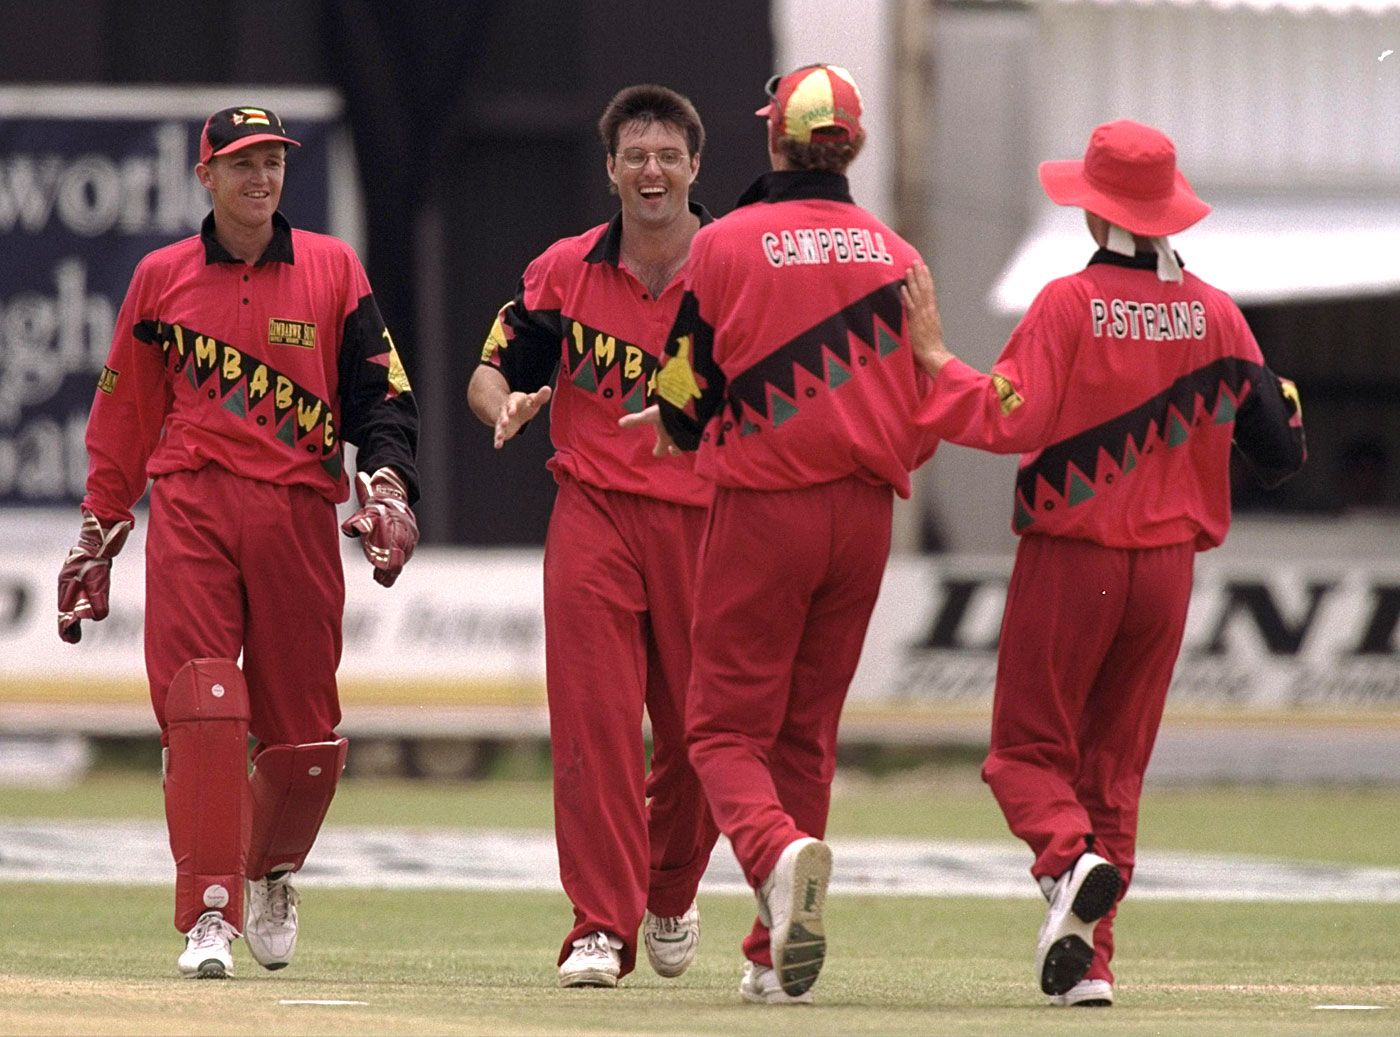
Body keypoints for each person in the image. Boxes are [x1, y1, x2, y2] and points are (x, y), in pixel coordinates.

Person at [902, 119, 1306, 1006]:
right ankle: (1091, 962)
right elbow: (1282, 450)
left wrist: (933, 361)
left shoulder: (1066, 305)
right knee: (1113, 772)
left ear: (1093, 213)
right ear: (1167, 212)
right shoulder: (1219, 312)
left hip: (1075, 555)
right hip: (1168, 571)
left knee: (1023, 756)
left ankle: (1064, 860)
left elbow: (1006, 417)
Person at [56, 105, 420, 979]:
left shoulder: (332, 268)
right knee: (203, 705)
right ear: (207, 176)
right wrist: (97, 534)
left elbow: (383, 397)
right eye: (244, 163)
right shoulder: (161, 277)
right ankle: (209, 912)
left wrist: (391, 484)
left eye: (275, 163)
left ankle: (271, 868)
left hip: (298, 510)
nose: (262, 179)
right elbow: (124, 416)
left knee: (303, 736)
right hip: (193, 506)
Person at [621, 64, 944, 1005]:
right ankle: (771, 955)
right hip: (866, 514)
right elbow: (927, 394)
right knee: (807, 732)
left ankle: (775, 854)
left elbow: (685, 386)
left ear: (774, 141)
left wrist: (671, 419)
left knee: (718, 726)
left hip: (765, 503)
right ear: (854, 146)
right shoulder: (897, 254)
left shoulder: (724, 245)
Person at [466, 84, 719, 989]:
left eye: (668, 156)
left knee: (702, 735)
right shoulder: (564, 270)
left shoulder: (736, 270)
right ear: (611, 170)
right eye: (635, 156)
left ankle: (671, 888)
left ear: (695, 166)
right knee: (595, 725)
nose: (652, 171)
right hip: (595, 509)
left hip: (705, 521)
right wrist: (509, 409)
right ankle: (598, 927)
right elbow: (489, 372)